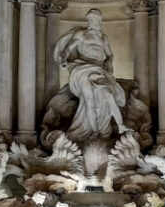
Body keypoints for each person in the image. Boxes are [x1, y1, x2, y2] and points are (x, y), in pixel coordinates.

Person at [54, 8, 131, 142]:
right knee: (88, 100)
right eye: (93, 19)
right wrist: (64, 59)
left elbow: (110, 55)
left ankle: (120, 126)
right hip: (83, 69)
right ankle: (94, 131)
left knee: (108, 95)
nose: (96, 22)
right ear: (88, 20)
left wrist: (108, 62)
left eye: (98, 19)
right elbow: (67, 49)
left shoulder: (103, 38)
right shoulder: (81, 34)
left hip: (99, 70)